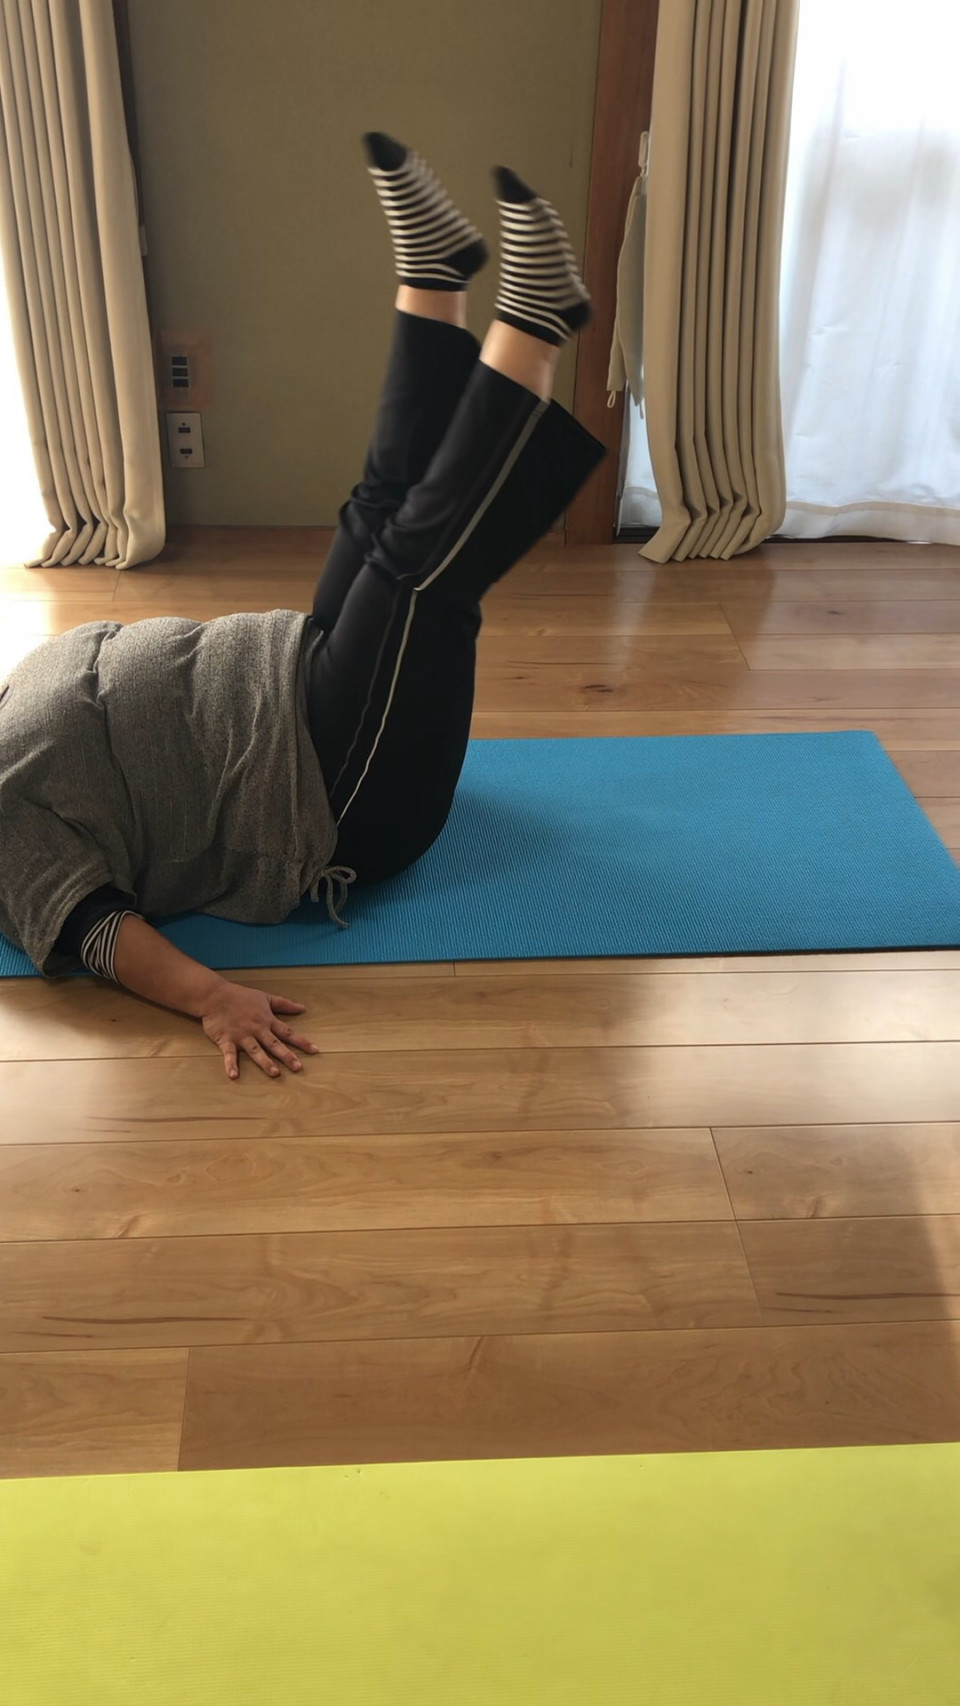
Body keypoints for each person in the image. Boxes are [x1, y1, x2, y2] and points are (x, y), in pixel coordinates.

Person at [0, 134, 605, 1079]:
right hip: (331, 796)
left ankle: (436, 276)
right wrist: (212, 997)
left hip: (288, 682)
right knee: (418, 570)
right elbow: (92, 926)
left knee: (378, 507)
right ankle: (537, 321)